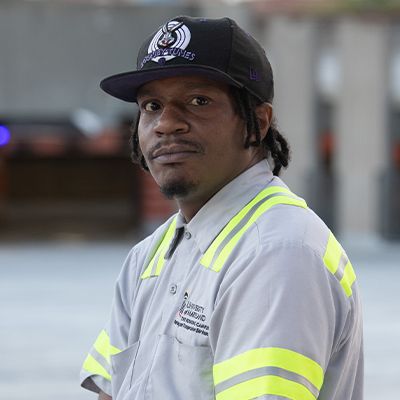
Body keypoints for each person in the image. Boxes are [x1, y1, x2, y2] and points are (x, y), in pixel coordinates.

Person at [80, 16, 363, 400]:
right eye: (152, 106)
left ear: (258, 122)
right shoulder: (148, 256)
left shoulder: (278, 253)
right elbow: (110, 391)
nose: (166, 124)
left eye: (198, 101)